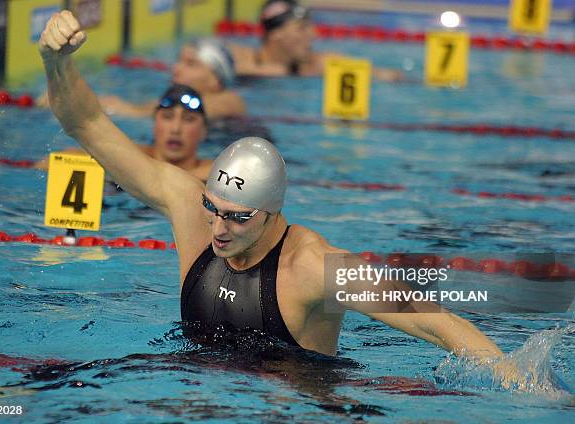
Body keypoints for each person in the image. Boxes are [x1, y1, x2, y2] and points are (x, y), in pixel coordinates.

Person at [39, 11, 538, 389]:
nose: (216, 229)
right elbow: (87, 124)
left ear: (272, 211)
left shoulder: (316, 267)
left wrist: (519, 386)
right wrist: (55, 61)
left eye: (236, 218)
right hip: (198, 388)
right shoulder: (190, 210)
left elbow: (439, 324)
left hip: (299, 403)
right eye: (213, 208)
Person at [35, 84, 213, 181]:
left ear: (204, 131)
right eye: (167, 117)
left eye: (188, 119)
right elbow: (51, 162)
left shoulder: (213, 172)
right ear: (154, 124)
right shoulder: (133, 155)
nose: (176, 129)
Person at [229, 0, 404, 81]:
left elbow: (388, 75)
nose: (314, 35)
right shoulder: (241, 58)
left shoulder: (320, 63)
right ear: (275, 33)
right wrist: (292, 71)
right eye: (302, 28)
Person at [99, 38, 246, 120]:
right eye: (179, 61)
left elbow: (185, 110)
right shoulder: (173, 99)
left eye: (191, 64)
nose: (177, 69)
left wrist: (130, 111)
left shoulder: (230, 100)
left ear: (216, 80)